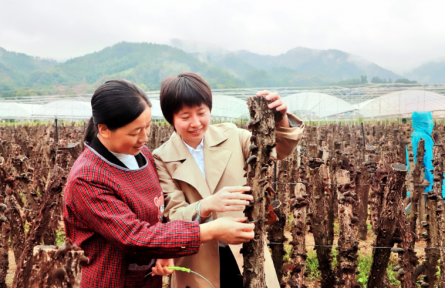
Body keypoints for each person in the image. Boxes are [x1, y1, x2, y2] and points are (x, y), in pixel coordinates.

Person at [63, 79, 255, 288]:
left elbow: (159, 217)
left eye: (147, 127)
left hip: (148, 280)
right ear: (104, 129)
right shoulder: (88, 178)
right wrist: (211, 231)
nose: (144, 138)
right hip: (111, 281)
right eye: (135, 131)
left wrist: (165, 251)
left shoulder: (142, 155)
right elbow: (134, 237)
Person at [153, 72, 305, 288]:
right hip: (197, 259)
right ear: (171, 119)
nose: (195, 123)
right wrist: (207, 205)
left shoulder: (233, 136)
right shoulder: (162, 158)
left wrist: (280, 119)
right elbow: (174, 216)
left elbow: (276, 150)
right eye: (185, 117)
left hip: (246, 252)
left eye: (201, 113)